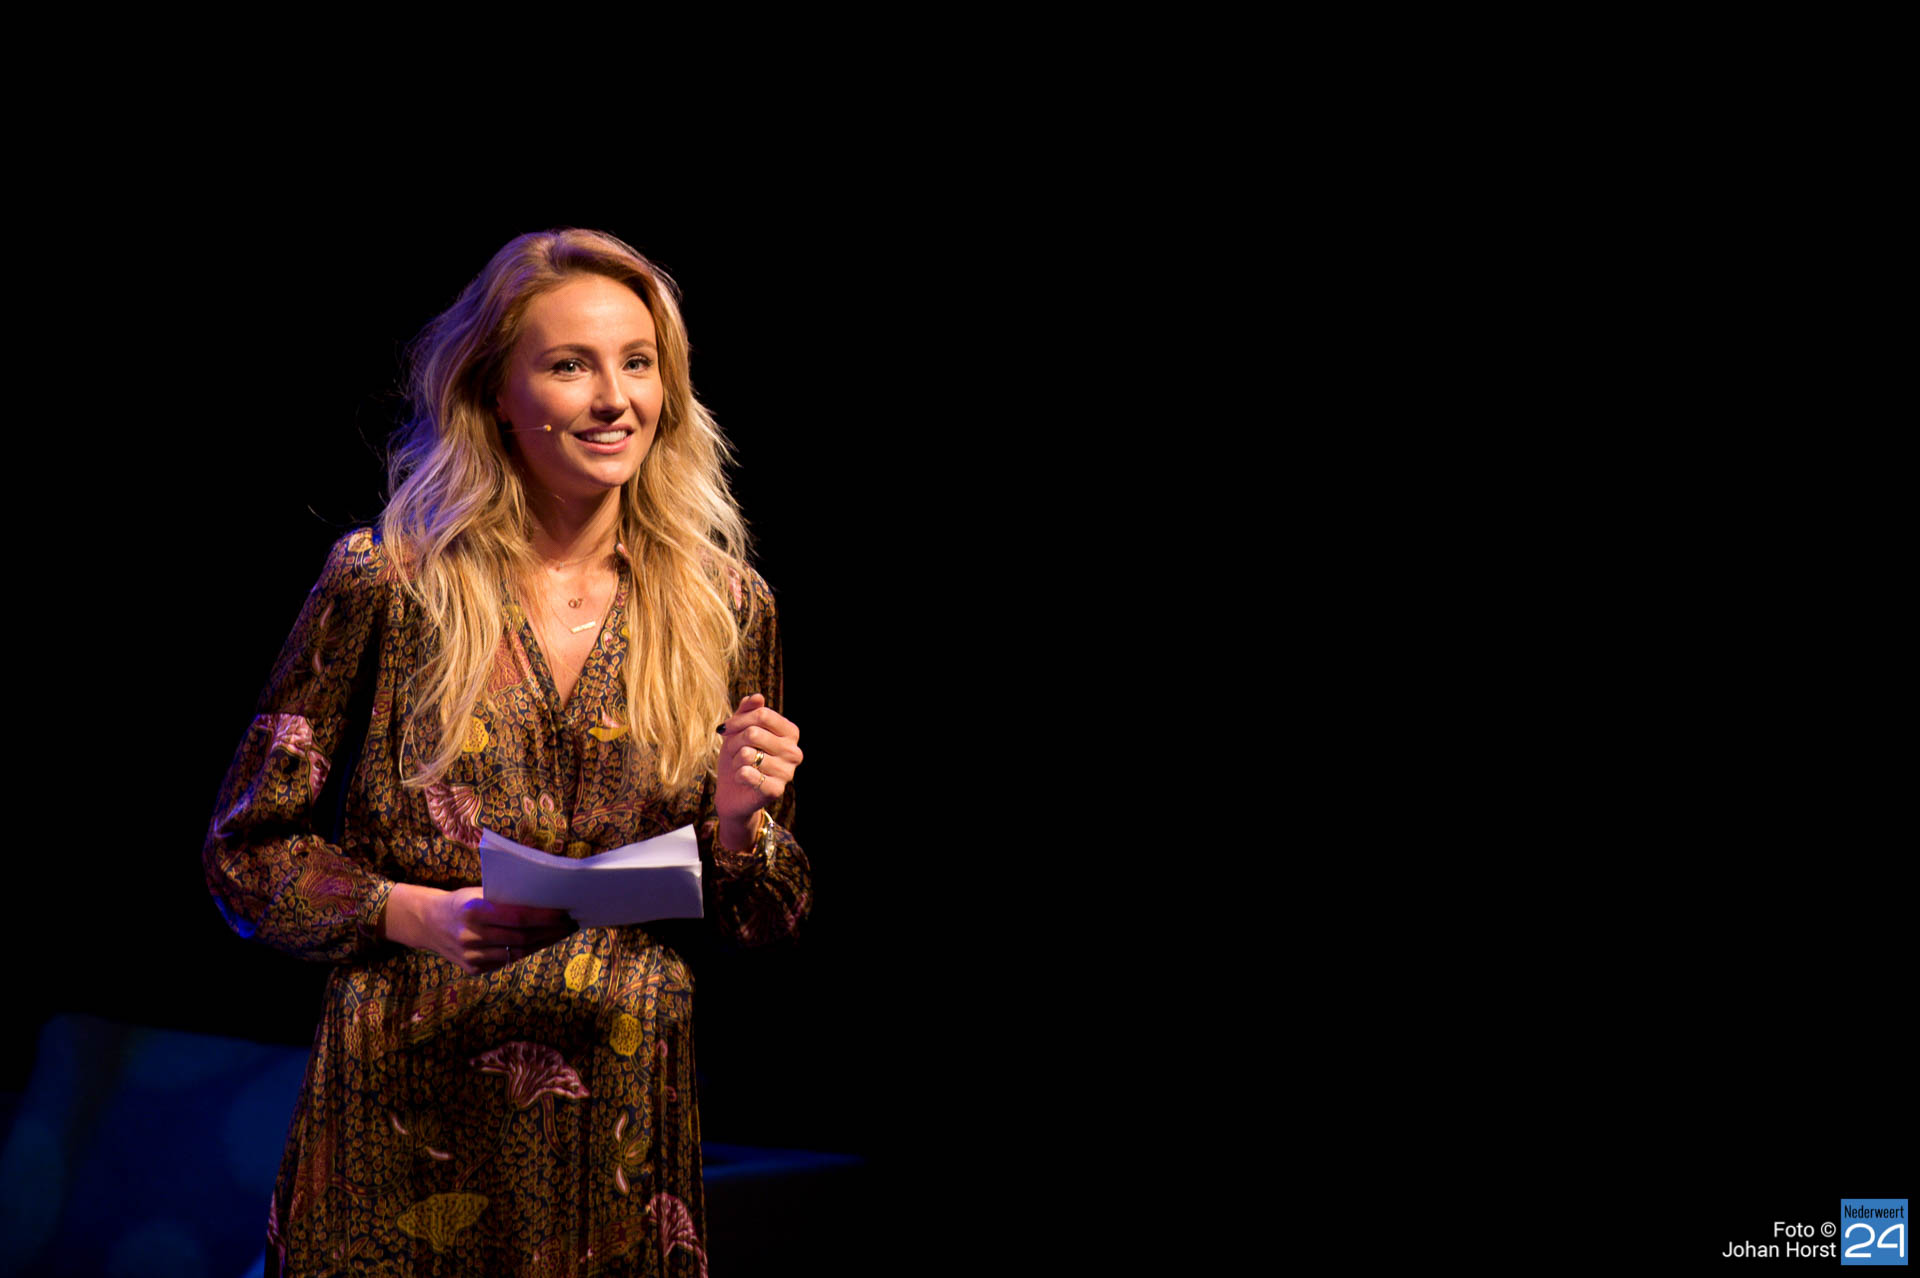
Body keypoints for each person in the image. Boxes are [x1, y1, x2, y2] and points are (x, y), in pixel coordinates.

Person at [204, 228, 809, 1276]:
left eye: (637, 362)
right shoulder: (388, 582)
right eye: (571, 365)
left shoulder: (725, 604)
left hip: (617, 1127)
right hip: (405, 1100)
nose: (614, 398)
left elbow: (766, 917)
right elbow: (246, 854)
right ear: (495, 393)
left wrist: (737, 825)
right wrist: (412, 914)